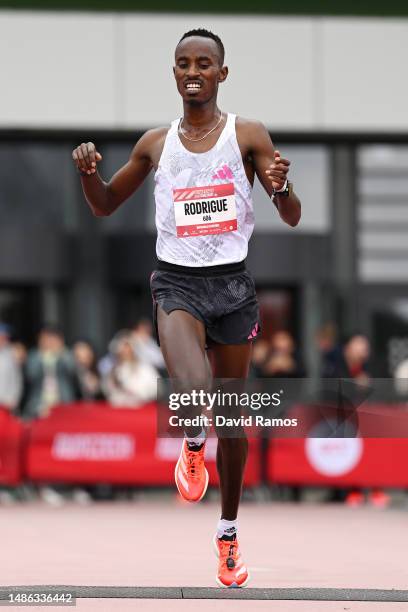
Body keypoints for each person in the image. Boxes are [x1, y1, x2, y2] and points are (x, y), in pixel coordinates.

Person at [72, 28, 301, 588]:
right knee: (194, 394)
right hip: (176, 284)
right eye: (182, 63)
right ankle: (192, 446)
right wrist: (86, 174)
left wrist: (282, 186)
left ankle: (227, 535)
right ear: (173, 74)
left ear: (222, 74)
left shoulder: (249, 134)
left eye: (204, 62)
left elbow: (291, 214)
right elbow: (104, 205)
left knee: (232, 420)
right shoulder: (155, 143)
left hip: (233, 288)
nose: (192, 70)